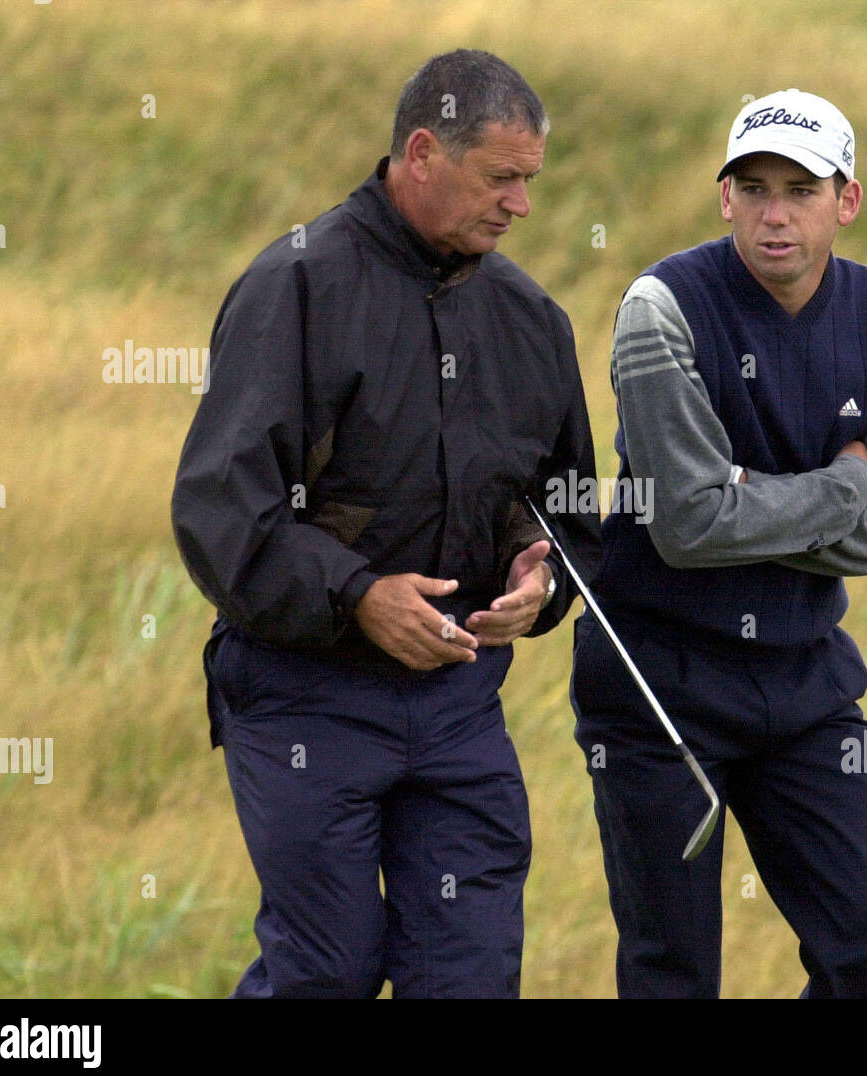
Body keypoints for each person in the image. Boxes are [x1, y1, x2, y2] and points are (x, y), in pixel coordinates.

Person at [171, 49, 601, 999]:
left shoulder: (533, 321)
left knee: (471, 977)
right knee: (327, 971)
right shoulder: (296, 287)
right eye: (500, 177)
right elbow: (218, 509)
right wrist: (359, 596)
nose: (520, 205)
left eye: (530, 181)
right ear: (420, 150)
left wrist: (542, 582)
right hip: (302, 698)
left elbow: (568, 513)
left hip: (460, 710)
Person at [571, 88, 867, 998]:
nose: (777, 214)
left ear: (847, 201)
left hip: (805, 678)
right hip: (659, 681)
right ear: (724, 195)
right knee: (674, 972)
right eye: (755, 187)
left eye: (802, 190)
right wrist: (844, 484)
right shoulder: (664, 308)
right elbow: (689, 527)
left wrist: (747, 502)